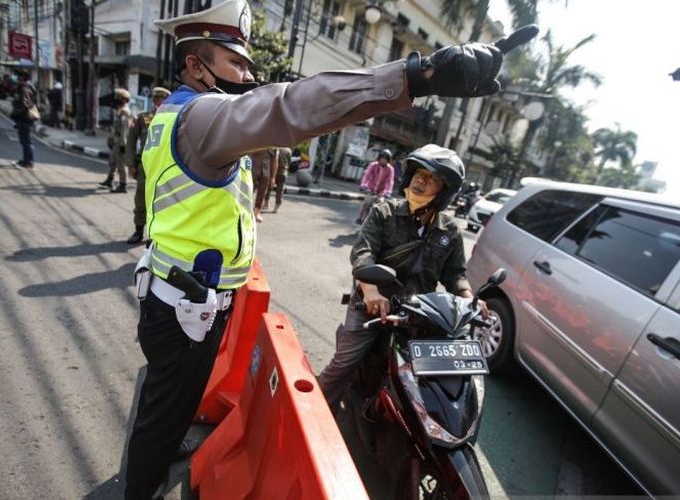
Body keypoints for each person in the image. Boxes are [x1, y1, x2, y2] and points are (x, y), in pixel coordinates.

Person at [126, 0, 505, 497]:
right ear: (196, 65)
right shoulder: (203, 116)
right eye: (234, 63)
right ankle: (142, 486)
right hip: (186, 303)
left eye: (247, 63)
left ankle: (163, 447)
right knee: (163, 409)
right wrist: (417, 75)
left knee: (172, 401)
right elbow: (291, 106)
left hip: (182, 292)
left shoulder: (172, 113)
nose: (247, 74)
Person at [318, 145, 490, 411]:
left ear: (444, 190)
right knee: (343, 364)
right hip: (373, 307)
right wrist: (371, 291)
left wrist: (469, 298)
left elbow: (455, 273)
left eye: (432, 177)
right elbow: (363, 253)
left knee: (428, 380)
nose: (421, 180)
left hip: (418, 315)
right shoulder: (384, 213)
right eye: (419, 173)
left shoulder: (450, 231)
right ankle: (314, 410)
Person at [126, 86, 171, 244]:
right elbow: (131, 141)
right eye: (157, 99)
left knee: (161, 202)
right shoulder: (144, 117)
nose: (159, 102)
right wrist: (131, 163)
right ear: (153, 100)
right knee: (141, 198)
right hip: (145, 166)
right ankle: (138, 230)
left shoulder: (174, 117)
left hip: (165, 167)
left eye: (162, 99)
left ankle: (155, 236)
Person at [99, 88, 132, 192]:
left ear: (123, 99)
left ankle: (123, 185)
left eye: (119, 97)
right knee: (112, 161)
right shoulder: (120, 110)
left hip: (121, 142)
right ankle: (110, 180)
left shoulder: (124, 112)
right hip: (116, 140)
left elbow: (124, 129)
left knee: (121, 164)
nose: (117, 99)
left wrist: (123, 144)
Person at [355, 148, 394, 225]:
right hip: (370, 189)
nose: (383, 160)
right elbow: (366, 175)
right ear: (379, 158)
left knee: (381, 206)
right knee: (366, 203)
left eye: (386, 159)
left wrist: (388, 192)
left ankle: (376, 224)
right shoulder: (373, 165)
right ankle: (359, 218)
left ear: (388, 160)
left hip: (381, 192)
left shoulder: (390, 169)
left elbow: (390, 181)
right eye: (382, 158)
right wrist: (363, 185)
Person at [10, 69, 38, 169]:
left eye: (19, 76)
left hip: (24, 118)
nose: (17, 78)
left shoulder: (24, 88)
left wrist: (16, 114)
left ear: (23, 77)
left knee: (26, 141)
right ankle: (25, 160)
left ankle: (29, 162)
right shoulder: (26, 87)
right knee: (24, 141)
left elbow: (24, 104)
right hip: (24, 118)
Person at [250, 148, 276, 221]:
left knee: (262, 194)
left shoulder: (275, 144)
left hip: (265, 173)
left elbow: (275, 161)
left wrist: (273, 177)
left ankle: (256, 213)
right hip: (253, 171)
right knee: (248, 191)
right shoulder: (257, 139)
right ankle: (242, 210)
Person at [265, 146, 292, 213]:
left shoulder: (275, 148)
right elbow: (289, 162)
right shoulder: (288, 150)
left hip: (273, 171)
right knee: (280, 190)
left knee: (269, 188)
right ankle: (276, 207)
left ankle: (266, 204)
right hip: (283, 172)